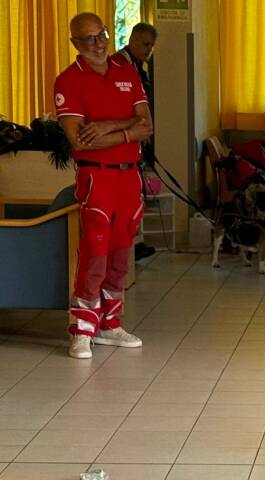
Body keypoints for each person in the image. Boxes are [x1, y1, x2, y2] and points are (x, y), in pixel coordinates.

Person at [55, 12, 153, 359]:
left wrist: (112, 126)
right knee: (95, 247)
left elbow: (146, 126)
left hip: (129, 175)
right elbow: (80, 142)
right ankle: (82, 328)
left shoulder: (127, 71)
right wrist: (129, 130)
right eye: (88, 39)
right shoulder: (69, 80)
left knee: (121, 250)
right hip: (96, 175)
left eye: (102, 35)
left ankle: (110, 325)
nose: (97, 43)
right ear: (75, 44)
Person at [118, 21, 158, 260]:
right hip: (123, 138)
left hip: (138, 136)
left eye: (152, 45)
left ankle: (136, 242)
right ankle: (128, 245)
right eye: (145, 44)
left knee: (137, 194)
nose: (149, 49)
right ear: (132, 40)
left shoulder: (139, 66)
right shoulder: (120, 64)